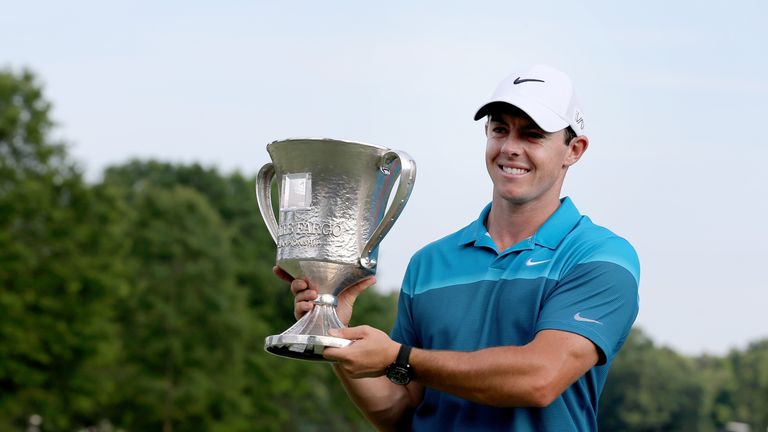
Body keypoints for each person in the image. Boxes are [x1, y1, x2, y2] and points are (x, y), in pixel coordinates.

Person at [274, 64, 640, 431]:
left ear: (574, 150)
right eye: (500, 130)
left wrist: (398, 357)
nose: (511, 148)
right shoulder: (430, 263)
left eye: (532, 135)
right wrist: (333, 330)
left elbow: (539, 378)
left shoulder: (600, 258)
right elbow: (400, 411)